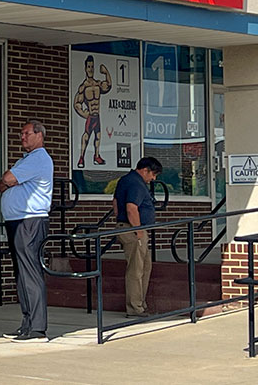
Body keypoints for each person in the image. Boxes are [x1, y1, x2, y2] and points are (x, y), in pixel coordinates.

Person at [0, 119, 54, 342]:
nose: (22, 137)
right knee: (21, 274)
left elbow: (7, 179)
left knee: (30, 272)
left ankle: (38, 328)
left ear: (39, 135)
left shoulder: (39, 158)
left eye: (26, 134)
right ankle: (27, 323)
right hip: (18, 221)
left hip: (30, 222)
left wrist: (8, 181)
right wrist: (8, 183)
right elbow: (6, 182)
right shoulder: (27, 159)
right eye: (21, 134)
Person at [112, 156, 163, 318]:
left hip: (126, 228)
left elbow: (115, 202)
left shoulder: (125, 180)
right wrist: (139, 231)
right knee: (137, 269)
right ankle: (135, 308)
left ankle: (140, 303)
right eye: (153, 174)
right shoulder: (136, 183)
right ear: (145, 170)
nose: (153, 179)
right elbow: (131, 208)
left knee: (145, 266)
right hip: (133, 230)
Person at [73, 55, 112, 168]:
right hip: (90, 115)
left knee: (98, 136)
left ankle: (96, 156)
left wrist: (106, 72)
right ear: (85, 68)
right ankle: (81, 158)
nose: (90, 69)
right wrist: (83, 114)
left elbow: (108, 86)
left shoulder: (97, 84)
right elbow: (77, 103)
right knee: (86, 136)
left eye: (92, 67)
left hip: (97, 115)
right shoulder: (83, 87)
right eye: (88, 66)